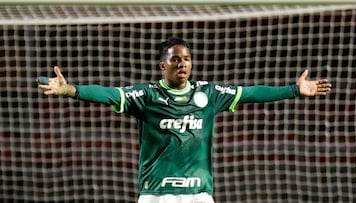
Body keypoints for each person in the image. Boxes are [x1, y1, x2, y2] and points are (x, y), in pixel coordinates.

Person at [38, 37, 331, 203]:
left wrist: (294, 89)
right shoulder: (146, 95)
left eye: (187, 58)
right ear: (163, 65)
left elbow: (252, 93)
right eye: (176, 59)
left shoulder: (210, 93)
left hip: (199, 195)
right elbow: (108, 94)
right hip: (156, 195)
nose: (183, 64)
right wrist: (72, 90)